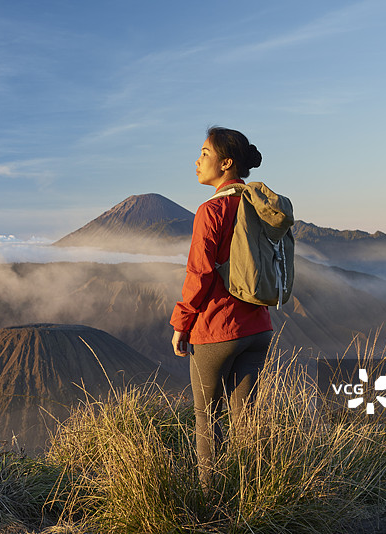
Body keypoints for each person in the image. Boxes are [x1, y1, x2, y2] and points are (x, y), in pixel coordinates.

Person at [170, 126, 274, 489]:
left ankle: (211, 500)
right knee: (247, 419)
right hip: (259, 327)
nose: (197, 161)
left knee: (207, 418)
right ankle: (254, 493)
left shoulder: (211, 209)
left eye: (204, 153)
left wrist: (181, 323)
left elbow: (199, 273)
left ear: (226, 163)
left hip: (217, 328)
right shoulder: (259, 206)